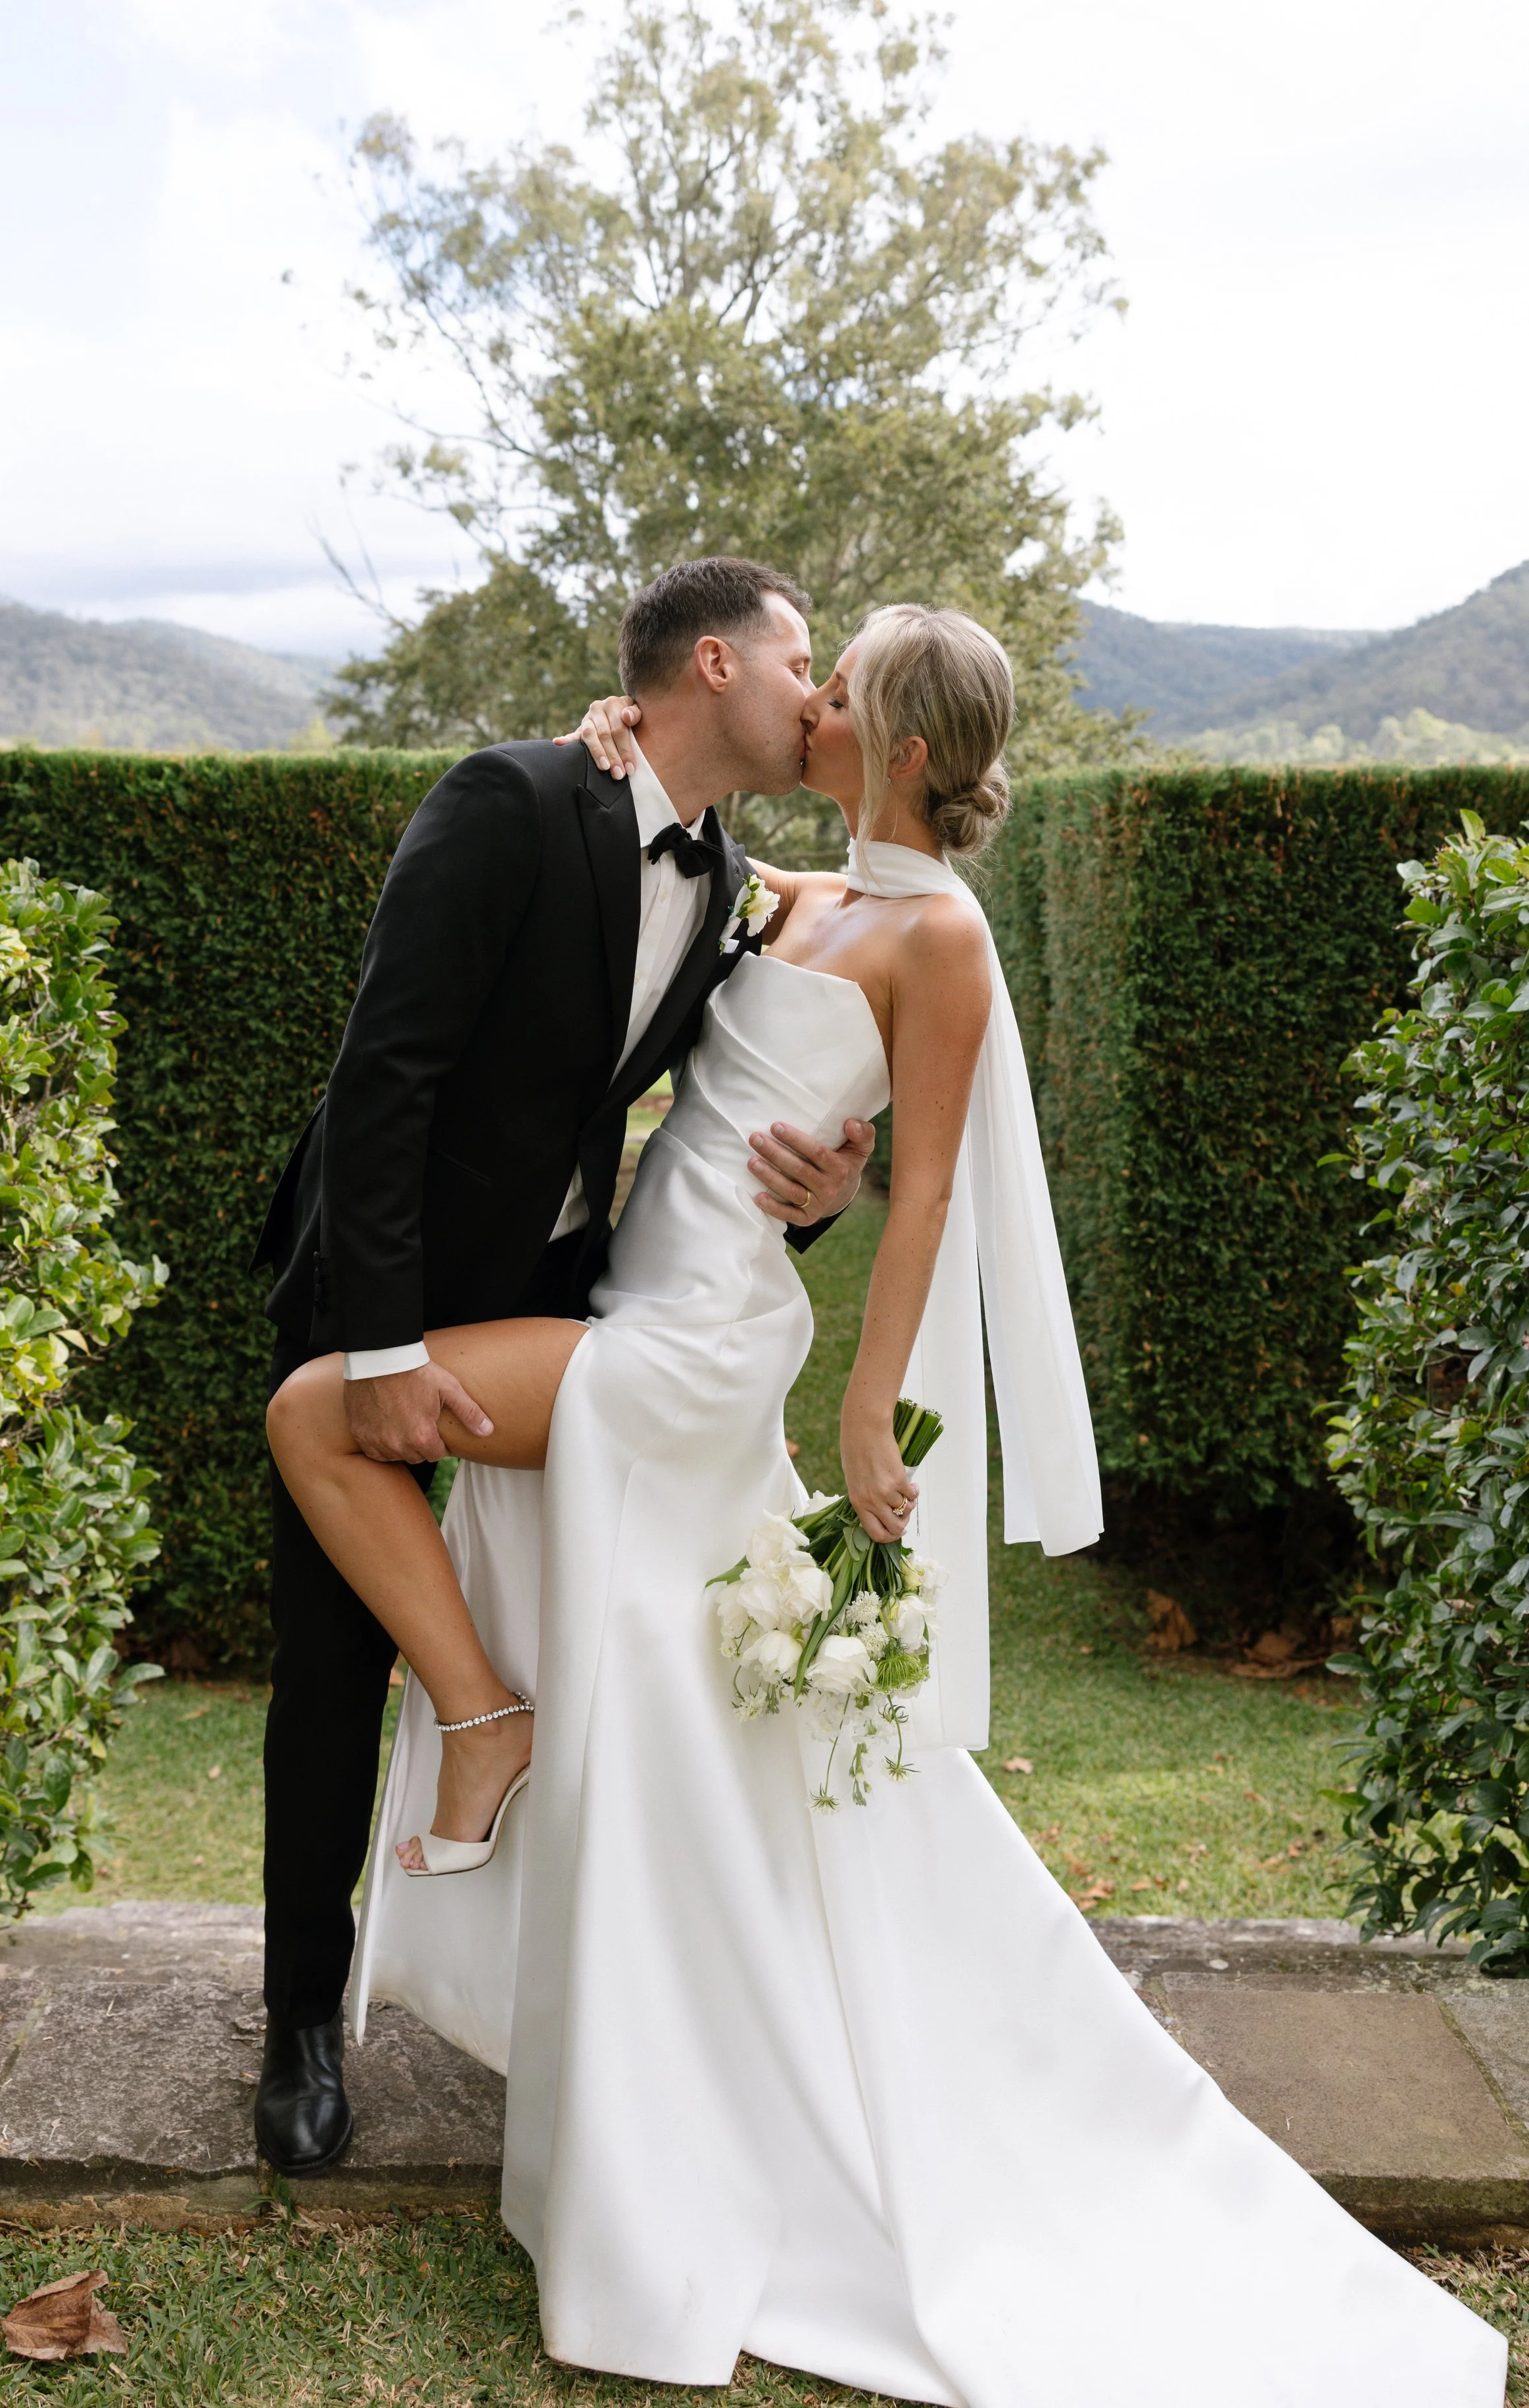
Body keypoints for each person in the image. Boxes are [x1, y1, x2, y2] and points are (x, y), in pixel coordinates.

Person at [268, 602, 1505, 2405]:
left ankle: (484, 1726)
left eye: (843, 685)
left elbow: (914, 1194)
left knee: (324, 1426)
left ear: (904, 743)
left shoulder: (937, 944)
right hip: (610, 1299)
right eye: (802, 669)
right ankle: (579, 1968)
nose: (816, 698)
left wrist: (866, 1389)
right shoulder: (767, 891)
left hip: (693, 1344)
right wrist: (606, 749)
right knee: (671, 1710)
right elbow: (666, 936)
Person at [248, 557, 876, 2175]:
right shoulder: (513, 797)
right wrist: (375, 1341)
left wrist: (825, 1188)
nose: (816, 690)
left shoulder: (733, 871)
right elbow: (381, 1074)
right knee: (331, 1655)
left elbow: (729, 1113)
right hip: (366, 1287)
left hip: (554, 1301)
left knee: (576, 1621)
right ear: (716, 661)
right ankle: (303, 2025)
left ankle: (560, 1985)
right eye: (801, 657)